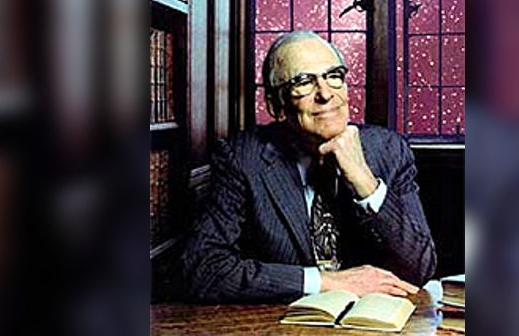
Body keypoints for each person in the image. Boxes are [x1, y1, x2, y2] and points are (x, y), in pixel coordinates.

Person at [182, 31, 436, 303]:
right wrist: (324, 282)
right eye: (303, 82)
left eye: (334, 76)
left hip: (375, 322)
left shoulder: (388, 149)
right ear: (276, 105)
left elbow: (419, 268)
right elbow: (204, 270)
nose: (326, 94)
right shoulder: (242, 158)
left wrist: (364, 181)